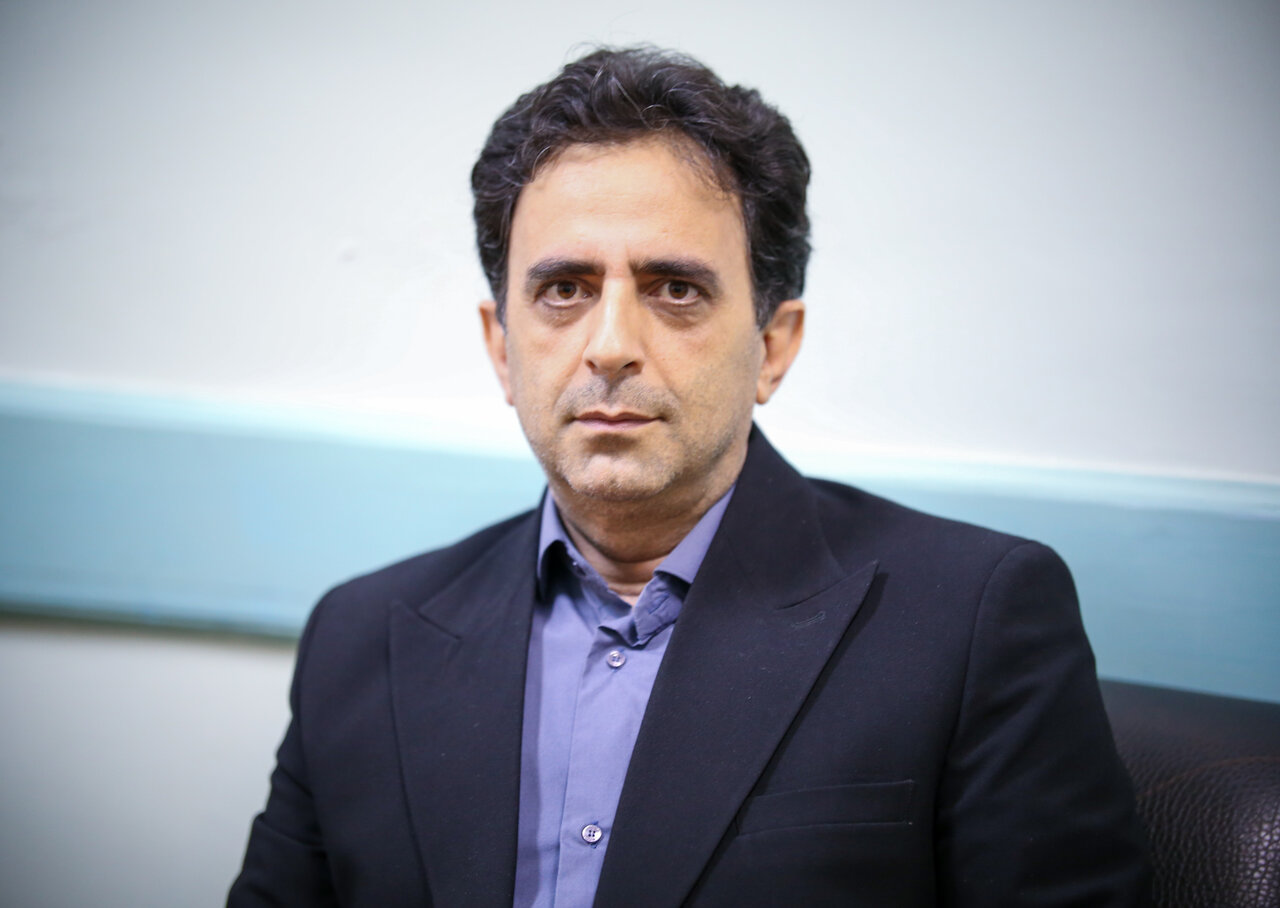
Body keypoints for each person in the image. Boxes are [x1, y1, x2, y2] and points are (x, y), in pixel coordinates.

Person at [229, 46, 1150, 907]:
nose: (611, 347)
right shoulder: (360, 641)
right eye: (563, 289)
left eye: (675, 289)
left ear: (773, 347)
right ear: (501, 348)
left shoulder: (974, 621)